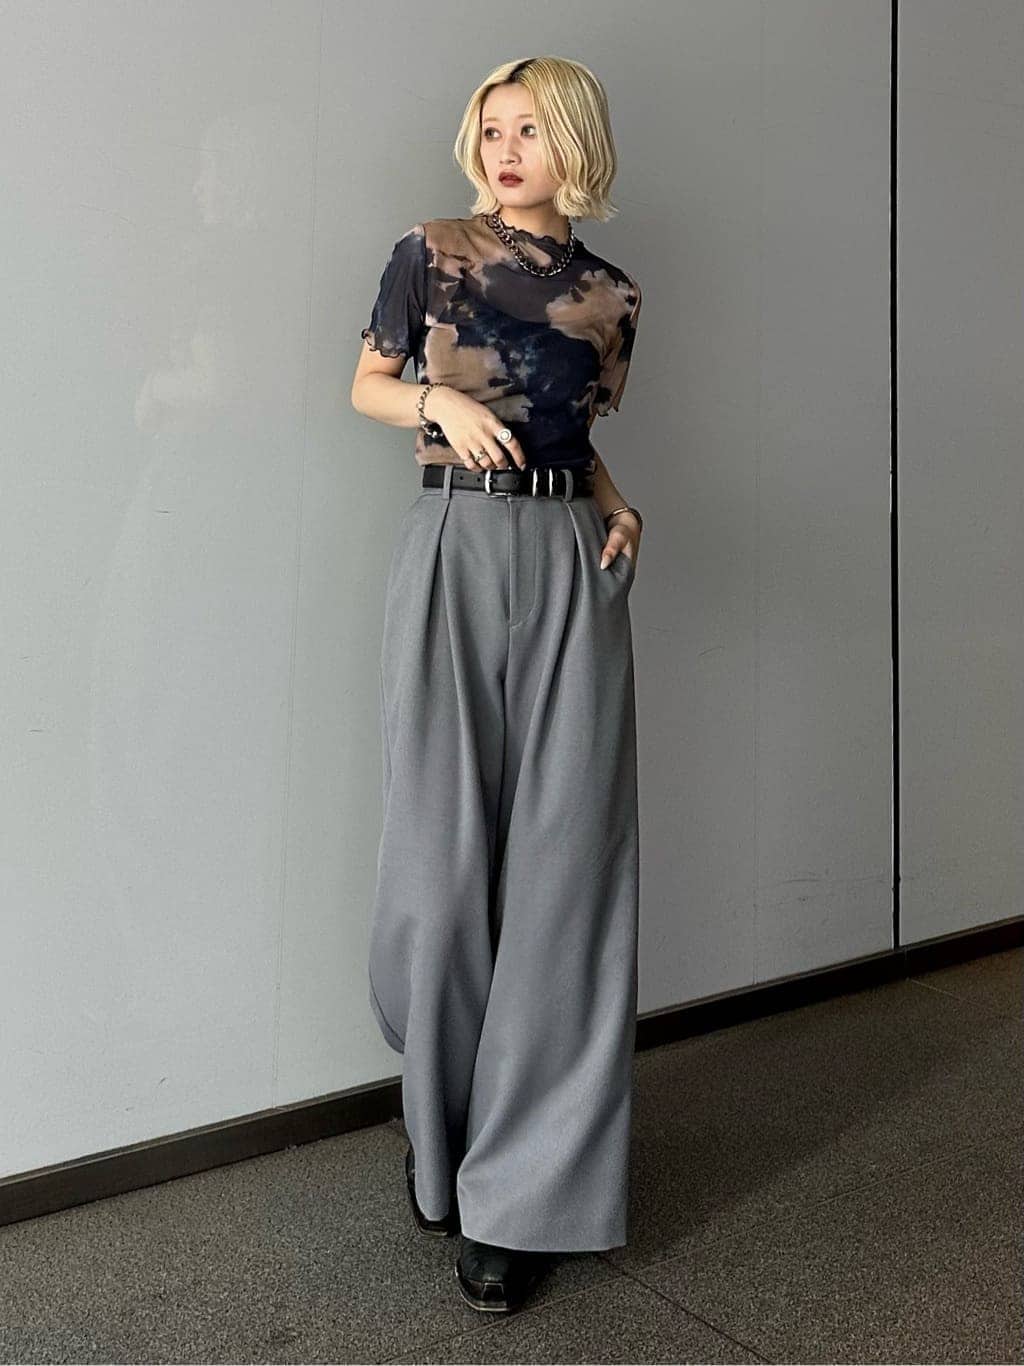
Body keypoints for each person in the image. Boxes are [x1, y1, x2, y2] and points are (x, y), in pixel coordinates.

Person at [350, 55, 644, 1316]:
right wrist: (432, 398)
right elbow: (364, 384)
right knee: (440, 862)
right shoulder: (430, 251)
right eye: (490, 127)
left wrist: (619, 504)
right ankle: (446, 1129)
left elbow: (579, 432)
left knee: (567, 868)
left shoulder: (614, 293)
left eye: (529, 128)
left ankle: (520, 1195)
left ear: (574, 143)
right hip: (453, 545)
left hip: (572, 552)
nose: (504, 147)